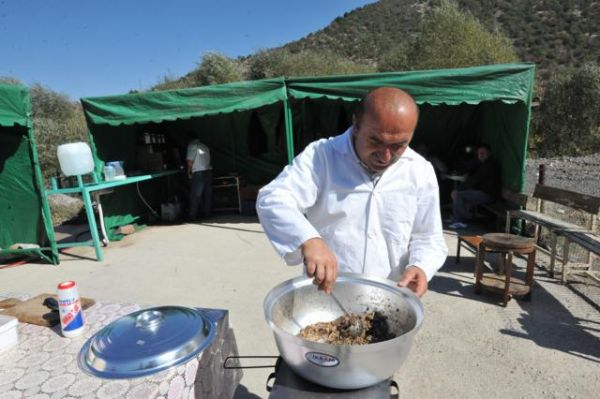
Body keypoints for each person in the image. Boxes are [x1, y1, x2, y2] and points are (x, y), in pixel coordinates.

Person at [256, 87, 448, 297]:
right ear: (356, 125)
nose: (385, 157)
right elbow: (273, 199)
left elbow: (428, 236)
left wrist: (421, 266)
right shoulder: (322, 156)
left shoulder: (420, 170)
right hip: (328, 295)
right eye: (375, 141)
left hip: (390, 297)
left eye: (398, 146)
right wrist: (309, 240)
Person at [448, 144, 501, 229]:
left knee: (458, 194)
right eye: (479, 153)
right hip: (483, 192)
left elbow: (474, 180)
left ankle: (459, 220)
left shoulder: (490, 165)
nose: (480, 155)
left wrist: (458, 189)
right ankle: (460, 218)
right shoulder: (482, 163)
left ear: (489, 154)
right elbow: (469, 169)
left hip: (488, 195)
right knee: (459, 193)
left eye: (483, 153)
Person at [186, 137, 212, 221]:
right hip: (208, 171)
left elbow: (190, 161)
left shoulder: (192, 145)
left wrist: (189, 172)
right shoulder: (205, 146)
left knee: (195, 195)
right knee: (207, 195)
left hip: (198, 172)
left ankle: (192, 216)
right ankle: (207, 214)